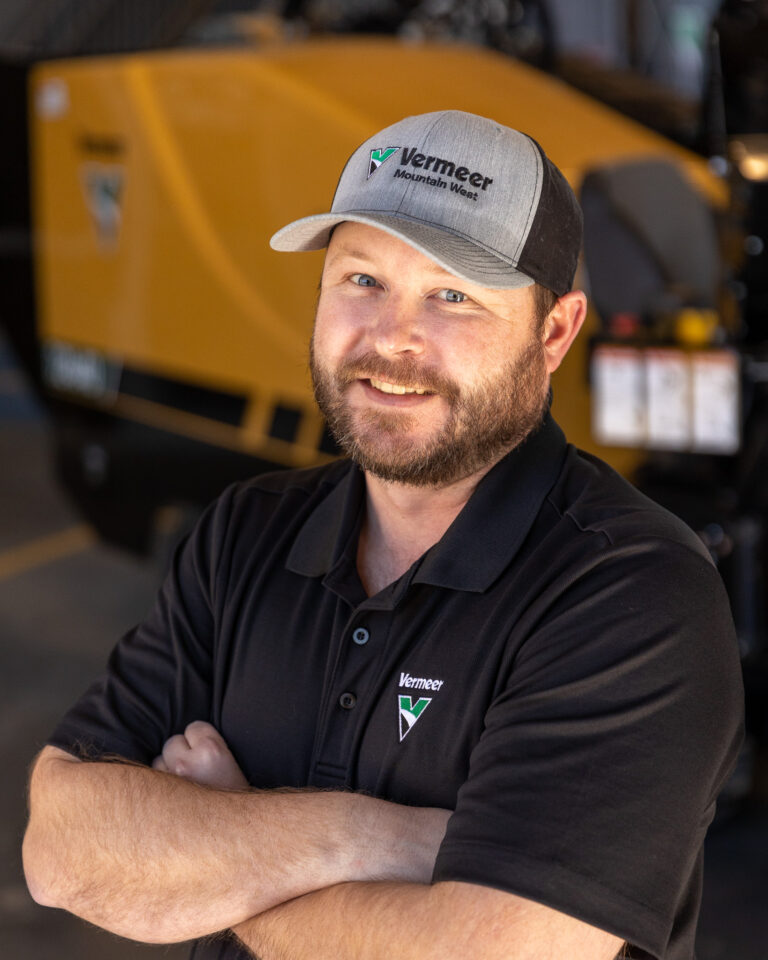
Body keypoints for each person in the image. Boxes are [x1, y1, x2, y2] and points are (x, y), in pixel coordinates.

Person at [23, 110, 742, 960]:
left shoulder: (631, 593)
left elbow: (487, 953)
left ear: (555, 333)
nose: (393, 339)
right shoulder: (246, 531)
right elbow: (61, 850)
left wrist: (214, 852)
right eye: (362, 280)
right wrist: (369, 837)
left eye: (452, 295)